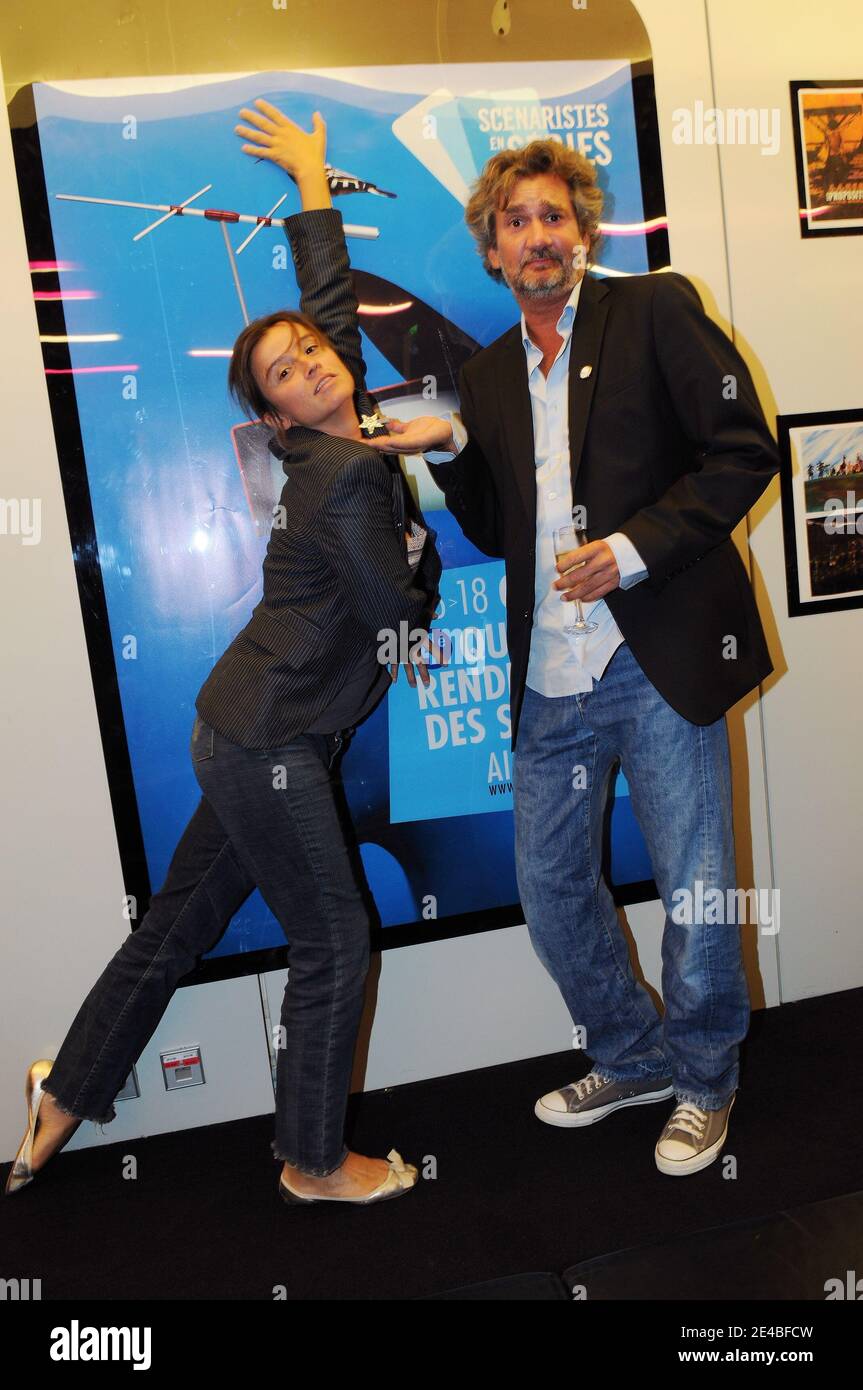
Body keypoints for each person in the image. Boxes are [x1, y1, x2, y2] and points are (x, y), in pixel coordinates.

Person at [6, 103, 441, 1206]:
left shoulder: (338, 444)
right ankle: (310, 1161)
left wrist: (308, 187)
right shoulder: (346, 472)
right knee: (336, 940)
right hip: (271, 737)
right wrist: (419, 530)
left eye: (311, 352)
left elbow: (330, 305)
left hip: (238, 724)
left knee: (182, 919)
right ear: (275, 414)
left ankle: (65, 1088)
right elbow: (394, 597)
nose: (311, 365)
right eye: (285, 373)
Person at [370, 139, 780, 1176]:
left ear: (581, 231)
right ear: (492, 249)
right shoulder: (484, 374)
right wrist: (453, 449)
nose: (537, 237)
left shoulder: (650, 310)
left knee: (694, 888)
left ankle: (701, 1080)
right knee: (553, 895)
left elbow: (742, 450)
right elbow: (502, 525)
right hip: (549, 673)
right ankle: (630, 1053)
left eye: (553, 216)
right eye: (516, 222)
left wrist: (633, 550)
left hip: (654, 659)